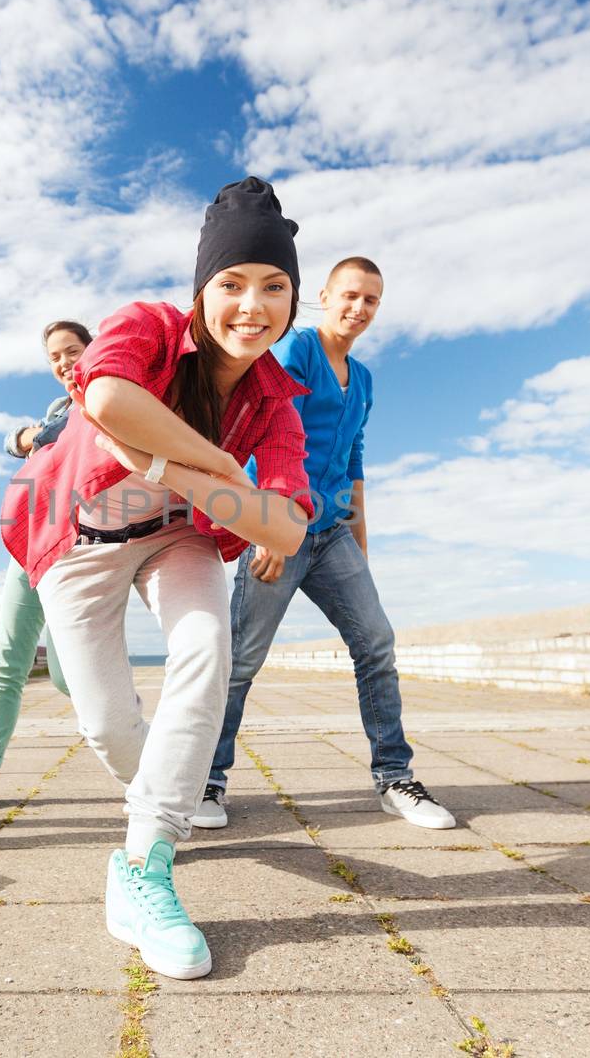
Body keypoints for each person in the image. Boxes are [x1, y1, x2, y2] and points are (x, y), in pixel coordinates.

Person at [2, 177, 312, 980]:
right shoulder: (147, 324)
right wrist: (217, 467)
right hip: (81, 538)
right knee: (107, 724)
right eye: (233, 284)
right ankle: (162, 803)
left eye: (275, 287)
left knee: (207, 647)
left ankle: (144, 868)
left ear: (292, 298)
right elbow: (107, 397)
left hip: (180, 537)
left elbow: (286, 524)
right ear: (202, 289)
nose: (254, 306)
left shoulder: (278, 402)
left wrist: (173, 471)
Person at [190, 257, 455, 832]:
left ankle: (394, 776)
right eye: (350, 296)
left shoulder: (362, 378)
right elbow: (268, 431)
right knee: (240, 662)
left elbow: (354, 463)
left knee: (377, 644)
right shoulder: (299, 350)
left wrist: (360, 545)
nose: (359, 309)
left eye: (372, 301)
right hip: (281, 527)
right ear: (326, 297)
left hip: (333, 534)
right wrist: (269, 529)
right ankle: (206, 782)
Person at [0, 320, 91, 814]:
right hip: (30, 545)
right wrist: (24, 434)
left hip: (78, 552)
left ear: (93, 351)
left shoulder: (112, 398)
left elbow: (58, 438)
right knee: (8, 663)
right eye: (55, 357)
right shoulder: (56, 408)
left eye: (73, 351)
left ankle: (140, 740)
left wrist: (32, 435)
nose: (65, 362)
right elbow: (21, 439)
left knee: (73, 679)